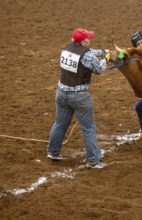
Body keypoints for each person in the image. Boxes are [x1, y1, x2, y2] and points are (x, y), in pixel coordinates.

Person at [47, 28, 110, 169]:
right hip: (79, 96)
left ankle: (53, 151)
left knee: (60, 123)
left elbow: (87, 53)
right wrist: (106, 58)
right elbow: (98, 69)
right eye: (88, 38)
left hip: (61, 93)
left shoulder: (66, 49)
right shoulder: (86, 55)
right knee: (88, 128)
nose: (90, 39)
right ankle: (93, 160)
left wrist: (102, 51)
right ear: (84, 41)